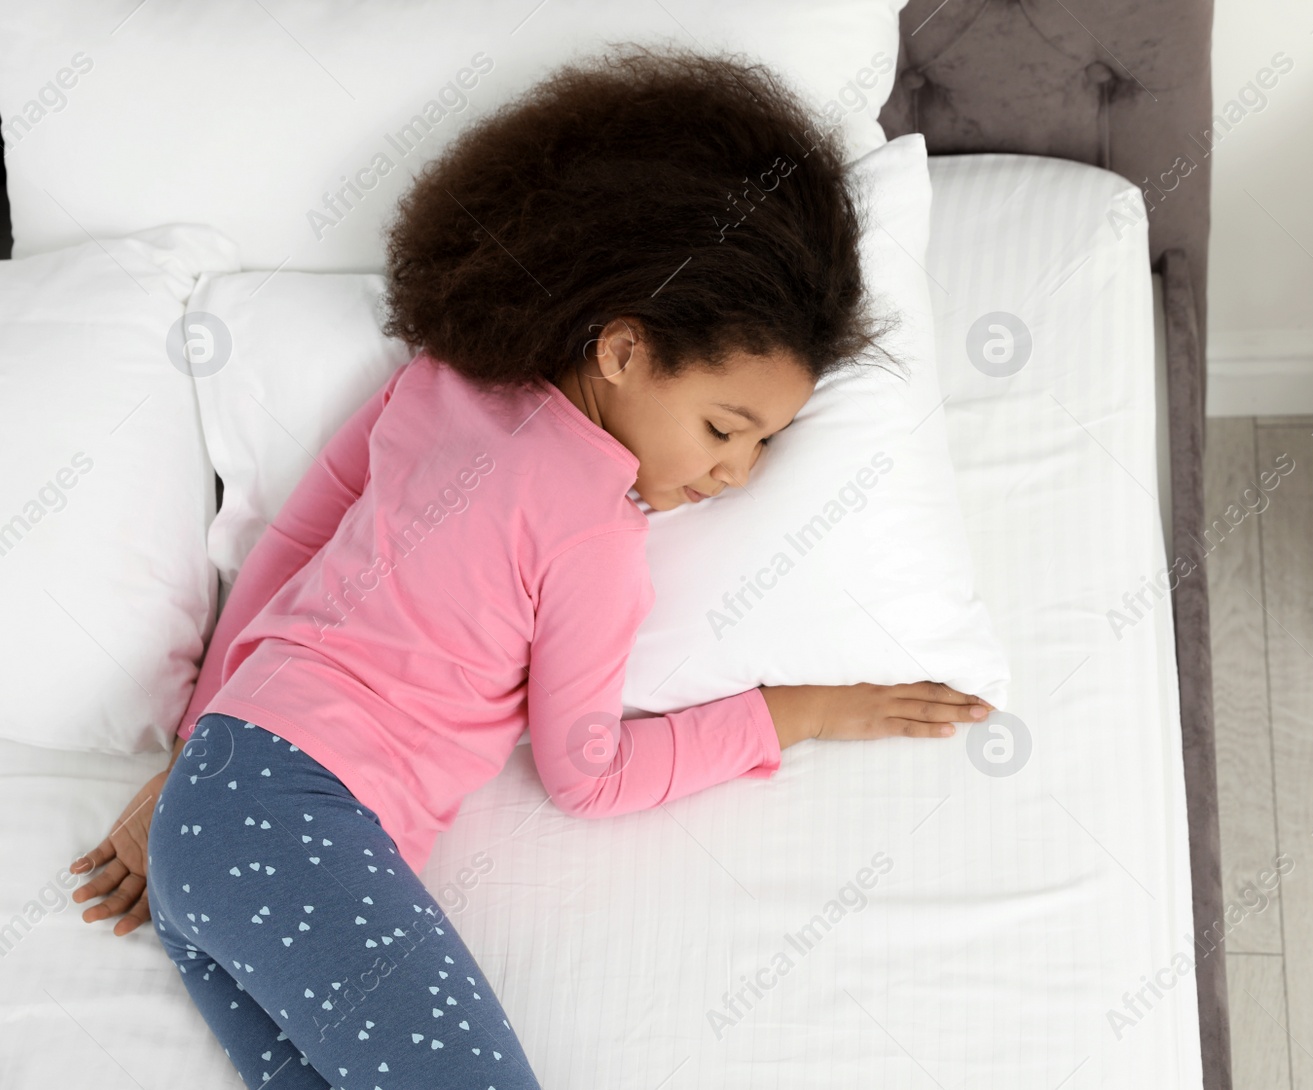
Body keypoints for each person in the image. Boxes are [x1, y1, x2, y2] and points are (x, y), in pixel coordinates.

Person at [69, 45, 992, 1090]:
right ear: (623, 350)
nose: (735, 472)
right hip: (295, 822)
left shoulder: (438, 380)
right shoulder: (595, 536)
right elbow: (586, 774)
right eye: (724, 428)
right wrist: (798, 711)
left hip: (219, 803)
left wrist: (193, 755)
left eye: (764, 447)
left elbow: (288, 545)